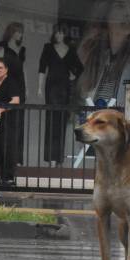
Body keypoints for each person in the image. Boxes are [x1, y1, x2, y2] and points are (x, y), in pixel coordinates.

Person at [76, 0, 130, 108]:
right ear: (106, 12)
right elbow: (80, 92)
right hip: (94, 121)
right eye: (120, 6)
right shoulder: (92, 52)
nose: (129, 13)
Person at [37, 23, 83, 165]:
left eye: (61, 33)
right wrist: (39, 87)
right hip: (51, 87)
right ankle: (50, 158)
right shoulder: (48, 47)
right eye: (57, 33)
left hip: (64, 87)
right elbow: (42, 68)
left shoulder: (71, 50)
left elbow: (80, 67)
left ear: (64, 34)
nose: (59, 35)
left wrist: (73, 76)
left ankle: (59, 159)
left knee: (62, 121)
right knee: (51, 120)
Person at [0, 57, 23, 185]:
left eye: (0, 68)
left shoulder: (10, 82)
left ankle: (9, 178)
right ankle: (3, 177)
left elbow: (16, 100)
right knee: (1, 148)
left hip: (9, 121)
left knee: (8, 148)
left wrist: (1, 109)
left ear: (6, 69)